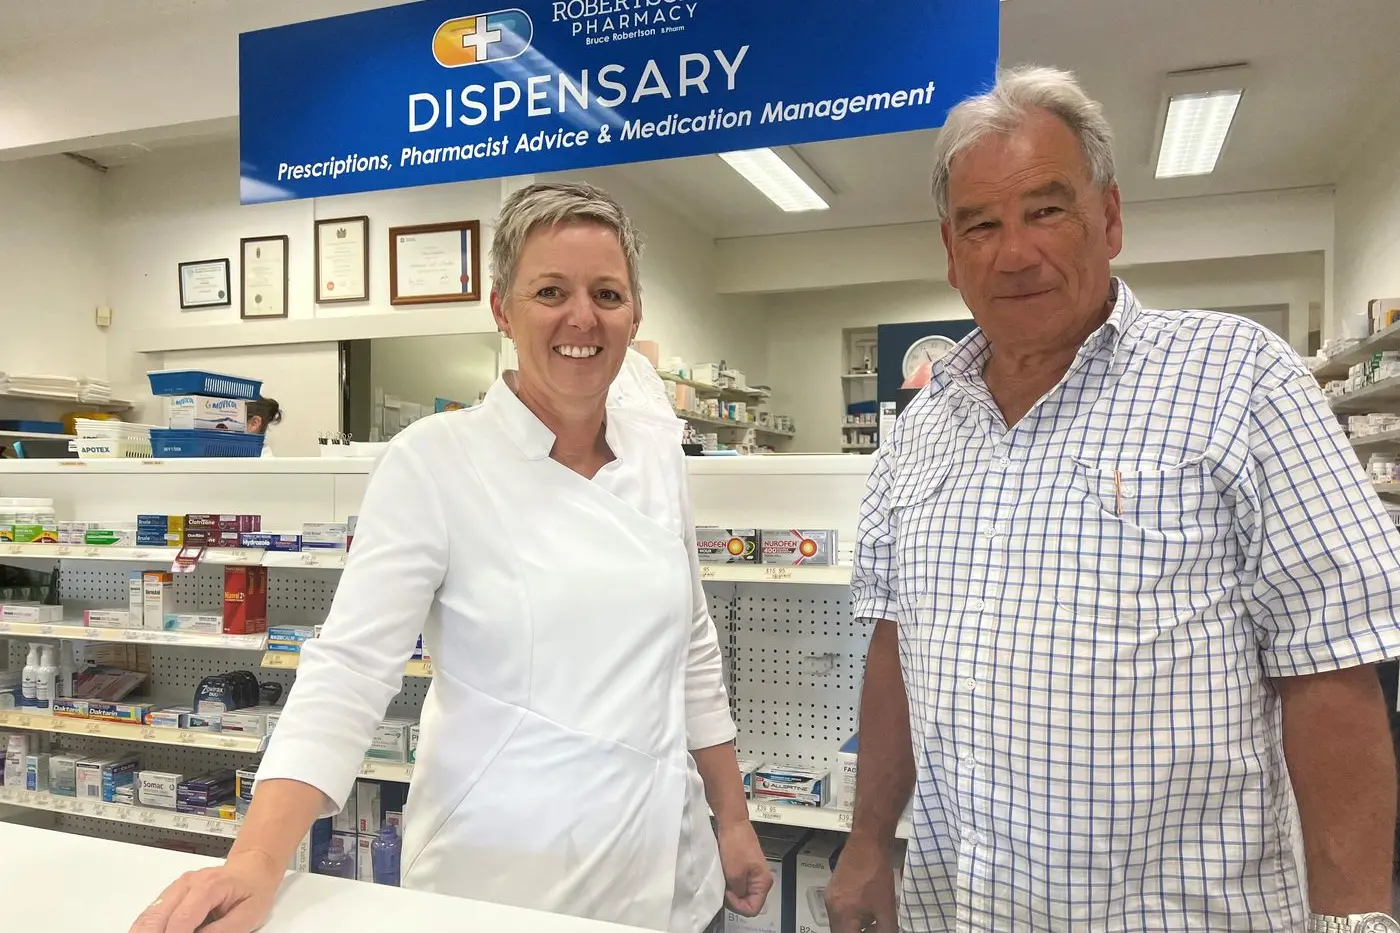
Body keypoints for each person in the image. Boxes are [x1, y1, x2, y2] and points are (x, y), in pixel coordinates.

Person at [827, 66, 1400, 933]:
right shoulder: (920, 427)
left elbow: (1330, 668)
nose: (1014, 252)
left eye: (1047, 210)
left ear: (1112, 218)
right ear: (951, 253)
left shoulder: (1238, 379)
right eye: (980, 225)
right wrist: (868, 839)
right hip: (961, 908)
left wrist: (1356, 919)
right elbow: (894, 641)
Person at [132, 182, 773, 933]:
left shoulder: (658, 450)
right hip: (504, 881)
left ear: (633, 315)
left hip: (667, 873)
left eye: (607, 293)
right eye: (549, 290)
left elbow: (691, 644)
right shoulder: (437, 462)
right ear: (503, 308)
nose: (581, 317)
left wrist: (731, 818)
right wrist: (256, 859)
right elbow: (349, 669)